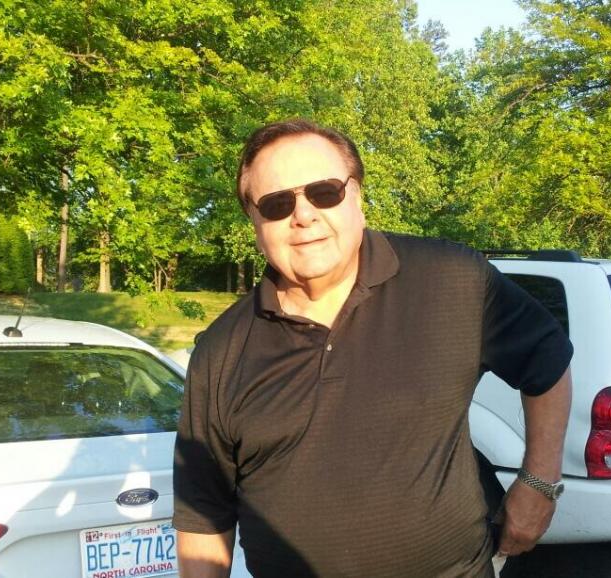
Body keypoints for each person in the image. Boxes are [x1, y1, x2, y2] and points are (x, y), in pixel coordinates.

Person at [173, 119, 573, 577]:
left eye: (324, 192)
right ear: (255, 221)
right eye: (277, 204)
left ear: (357, 195)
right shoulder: (220, 352)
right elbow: (204, 515)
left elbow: (547, 362)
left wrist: (539, 483)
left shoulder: (450, 279)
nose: (303, 216)